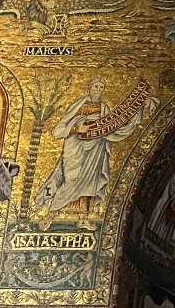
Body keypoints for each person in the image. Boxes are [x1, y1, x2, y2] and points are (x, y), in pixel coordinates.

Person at [36, 78, 156, 225]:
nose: (98, 89)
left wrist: (139, 108)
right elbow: (57, 131)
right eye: (96, 86)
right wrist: (75, 128)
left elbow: (114, 127)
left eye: (101, 87)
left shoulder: (104, 108)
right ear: (90, 87)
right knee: (71, 179)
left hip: (96, 149)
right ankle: (50, 215)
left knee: (91, 182)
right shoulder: (78, 105)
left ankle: (83, 218)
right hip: (75, 147)